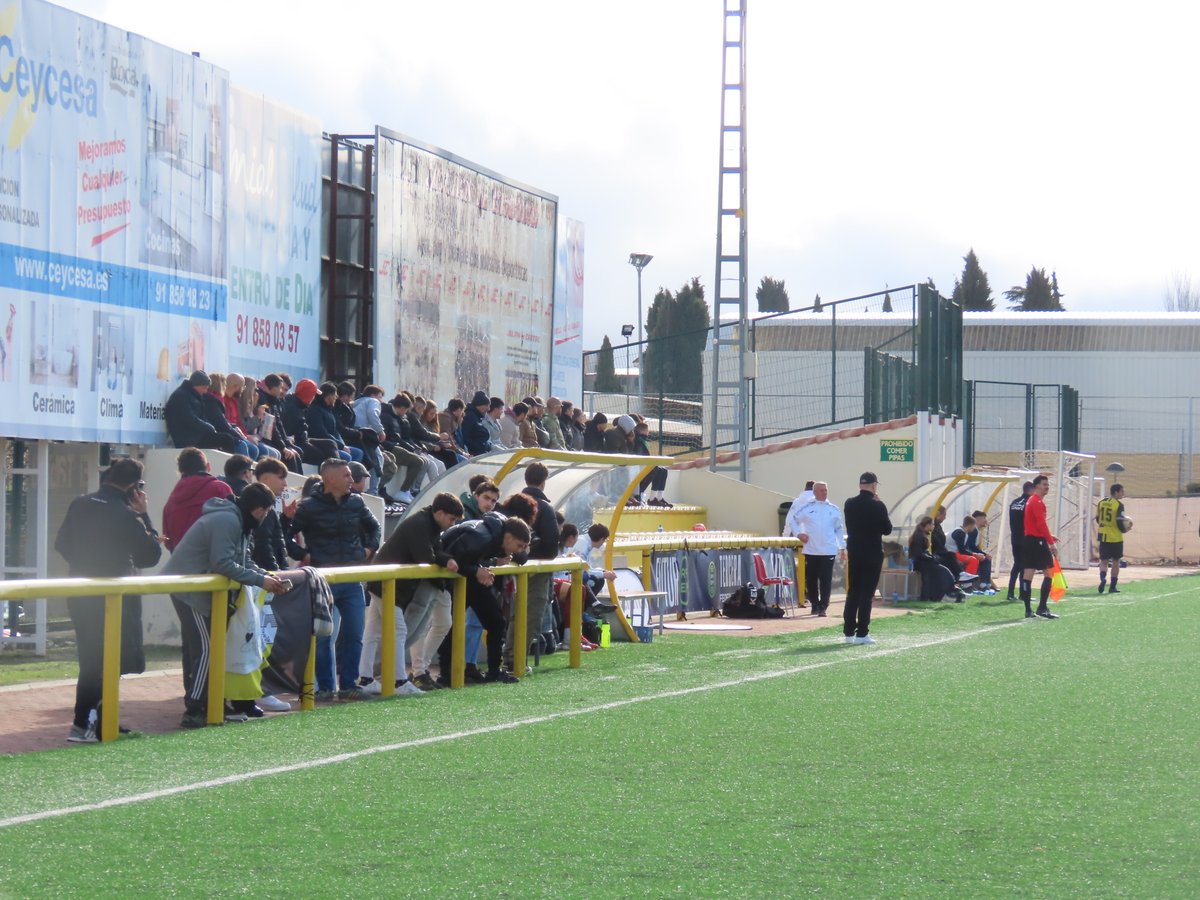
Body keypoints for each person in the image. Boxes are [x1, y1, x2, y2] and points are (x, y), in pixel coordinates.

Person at [163, 483, 294, 728]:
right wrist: (261, 580)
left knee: (208, 649)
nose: (266, 517)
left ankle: (212, 702)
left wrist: (266, 577)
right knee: (206, 649)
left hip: (202, 591)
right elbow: (222, 563)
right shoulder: (228, 520)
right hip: (190, 592)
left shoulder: (238, 520)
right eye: (266, 511)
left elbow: (242, 561)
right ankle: (194, 709)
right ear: (257, 509)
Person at [54, 458, 164, 743]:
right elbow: (150, 556)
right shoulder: (125, 513)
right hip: (113, 596)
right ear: (133, 486)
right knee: (108, 659)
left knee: (92, 658)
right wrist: (145, 516)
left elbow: (61, 544)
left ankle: (102, 720)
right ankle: (85, 724)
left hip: (80, 592)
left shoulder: (81, 503)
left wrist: (84, 564)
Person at [288, 458, 382, 699]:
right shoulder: (309, 507)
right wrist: (304, 555)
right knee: (323, 637)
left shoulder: (356, 502)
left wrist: (368, 550)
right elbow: (285, 536)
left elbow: (374, 528)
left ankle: (349, 685)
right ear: (329, 478)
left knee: (354, 634)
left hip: (351, 579)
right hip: (323, 580)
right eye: (347, 475)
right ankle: (327, 688)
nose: (352, 480)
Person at [371, 491, 464, 692]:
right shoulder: (421, 523)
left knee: (375, 634)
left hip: (388, 583)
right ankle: (396, 680)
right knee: (397, 631)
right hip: (385, 583)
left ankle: (368, 678)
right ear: (439, 512)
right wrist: (444, 559)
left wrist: (445, 558)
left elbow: (432, 553)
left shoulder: (429, 524)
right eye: (451, 518)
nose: (452, 523)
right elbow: (425, 556)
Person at [439, 513, 531, 684]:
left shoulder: (494, 535)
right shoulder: (482, 537)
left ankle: (493, 671)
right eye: (519, 545)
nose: (519, 551)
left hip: (465, 577)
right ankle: (446, 674)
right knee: (451, 626)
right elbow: (452, 560)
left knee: (496, 621)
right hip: (451, 580)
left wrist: (483, 567)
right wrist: (477, 571)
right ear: (508, 537)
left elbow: (468, 559)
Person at [503, 462, 561, 674]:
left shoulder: (512, 501)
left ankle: (509, 656)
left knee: (515, 615)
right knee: (531, 615)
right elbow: (552, 543)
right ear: (544, 482)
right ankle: (516, 660)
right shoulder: (544, 507)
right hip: (535, 568)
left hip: (510, 566)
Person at [842, 472, 892, 645]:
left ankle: (848, 632)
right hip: (872, 552)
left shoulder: (849, 503)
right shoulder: (877, 505)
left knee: (853, 591)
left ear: (860, 485)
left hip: (854, 551)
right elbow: (887, 529)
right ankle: (862, 633)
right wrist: (880, 504)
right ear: (873, 485)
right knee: (866, 594)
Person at [161, 448, 234, 552]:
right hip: (214, 563)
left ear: (180, 472)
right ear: (208, 467)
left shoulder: (170, 504)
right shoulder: (220, 489)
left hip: (181, 564)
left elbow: (168, 542)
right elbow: (233, 528)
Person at [790, 481, 845, 617]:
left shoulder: (834, 509)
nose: (824, 492)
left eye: (825, 490)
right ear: (814, 492)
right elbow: (793, 521)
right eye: (821, 490)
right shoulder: (806, 508)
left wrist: (842, 547)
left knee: (826, 579)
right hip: (811, 550)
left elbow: (839, 529)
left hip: (828, 550)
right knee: (812, 579)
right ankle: (814, 603)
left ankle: (823, 606)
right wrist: (799, 534)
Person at [164, 370, 237, 452]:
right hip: (187, 438)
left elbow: (201, 417)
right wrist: (208, 427)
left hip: (196, 436)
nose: (205, 391)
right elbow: (189, 418)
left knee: (227, 438)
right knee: (226, 440)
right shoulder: (180, 396)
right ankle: (229, 464)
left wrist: (210, 427)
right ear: (197, 385)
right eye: (204, 388)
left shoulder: (194, 395)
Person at [1020, 474, 1059, 620]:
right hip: (1037, 542)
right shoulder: (1037, 502)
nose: (1047, 487)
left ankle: (1028, 610)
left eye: (1047, 484)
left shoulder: (1031, 501)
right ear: (1036, 486)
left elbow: (1036, 525)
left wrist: (1048, 536)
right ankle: (1042, 607)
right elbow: (1041, 524)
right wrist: (1051, 543)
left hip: (1029, 540)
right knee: (1049, 573)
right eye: (1044, 484)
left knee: (1028, 575)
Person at [908, 516, 966, 602]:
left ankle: (933, 596)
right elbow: (918, 553)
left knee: (943, 568)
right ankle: (940, 594)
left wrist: (930, 558)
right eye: (932, 524)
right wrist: (930, 558)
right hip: (922, 564)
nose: (933, 526)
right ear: (927, 525)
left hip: (924, 563)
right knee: (943, 572)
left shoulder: (921, 535)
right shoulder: (919, 536)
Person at [1096, 483, 1126, 594]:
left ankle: (1103, 578)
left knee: (1103, 561)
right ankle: (1112, 586)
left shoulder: (1101, 502)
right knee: (1116, 561)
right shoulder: (1119, 505)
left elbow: (1098, 519)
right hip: (1116, 537)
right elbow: (1119, 521)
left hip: (1103, 536)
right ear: (1116, 492)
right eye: (1122, 491)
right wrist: (1125, 529)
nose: (1123, 494)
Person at [1007, 481, 1034, 601]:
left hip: (1015, 538)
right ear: (1031, 490)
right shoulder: (1029, 503)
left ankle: (1013, 593)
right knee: (1023, 566)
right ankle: (1020, 594)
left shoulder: (1014, 503)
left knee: (1018, 565)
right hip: (1025, 539)